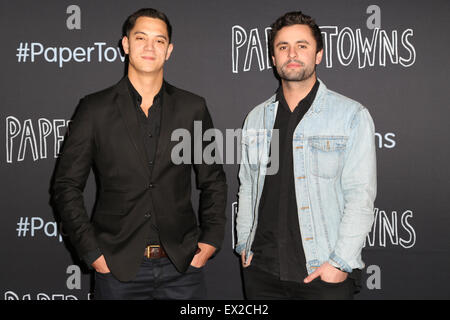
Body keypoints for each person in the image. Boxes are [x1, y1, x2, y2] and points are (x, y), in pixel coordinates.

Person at [52, 8, 227, 300]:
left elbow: (214, 180)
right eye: (141, 37)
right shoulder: (94, 109)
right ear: (126, 44)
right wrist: (92, 253)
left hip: (182, 267)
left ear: (169, 50)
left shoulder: (192, 108)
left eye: (159, 41)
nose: (149, 46)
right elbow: (66, 185)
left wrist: (209, 241)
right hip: (117, 269)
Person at [235, 11, 376, 300]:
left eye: (302, 45)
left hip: (322, 275)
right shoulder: (256, 117)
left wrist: (339, 263)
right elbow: (248, 186)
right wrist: (243, 245)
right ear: (273, 58)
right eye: (282, 47)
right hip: (262, 273)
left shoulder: (351, 115)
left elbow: (360, 195)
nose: (292, 54)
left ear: (319, 54)